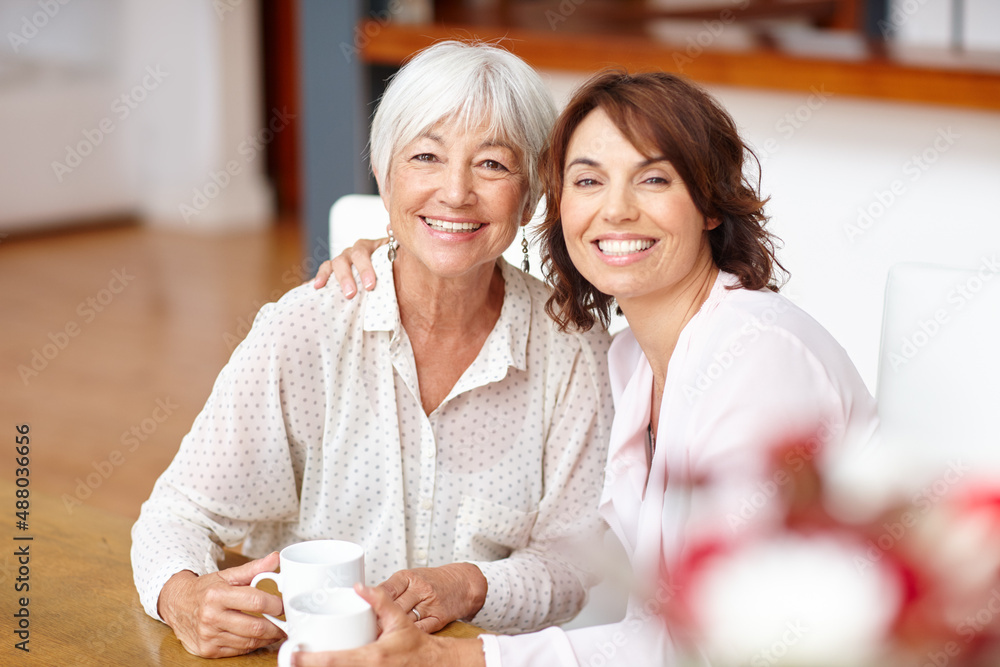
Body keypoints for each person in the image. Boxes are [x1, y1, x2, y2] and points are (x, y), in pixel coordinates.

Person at [303, 69, 879, 666]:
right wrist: (395, 257)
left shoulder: (757, 357)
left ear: (710, 204)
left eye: (654, 178)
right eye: (588, 180)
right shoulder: (630, 360)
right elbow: (656, 627)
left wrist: (447, 660)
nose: (617, 210)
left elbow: (706, 643)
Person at [130, 41, 613, 659]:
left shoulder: (573, 351)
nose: (456, 191)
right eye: (426, 157)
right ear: (385, 175)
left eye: (492, 165)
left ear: (530, 194)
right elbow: (178, 513)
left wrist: (468, 585)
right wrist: (183, 597)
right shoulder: (306, 329)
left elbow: (573, 564)